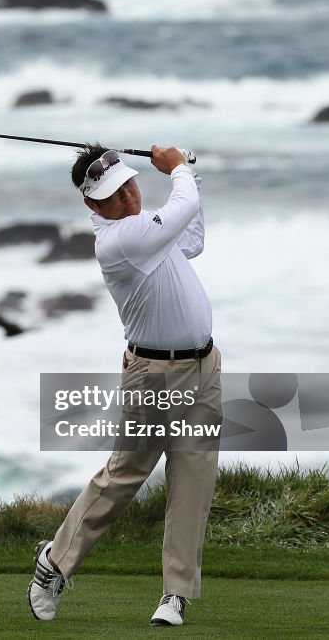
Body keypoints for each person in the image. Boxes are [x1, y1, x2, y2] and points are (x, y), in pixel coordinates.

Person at [28, 144, 222, 627]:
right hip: (153, 375)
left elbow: (191, 237)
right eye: (114, 196)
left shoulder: (146, 228)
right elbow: (181, 210)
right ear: (93, 206)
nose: (129, 197)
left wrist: (188, 176)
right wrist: (177, 167)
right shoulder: (119, 241)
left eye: (131, 185)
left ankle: (175, 594)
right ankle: (55, 563)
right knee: (124, 476)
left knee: (193, 482)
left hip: (204, 366)